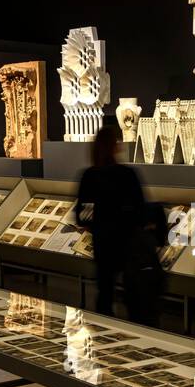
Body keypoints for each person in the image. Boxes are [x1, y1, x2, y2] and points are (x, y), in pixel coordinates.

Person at [75, 125, 162, 324]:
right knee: (133, 292)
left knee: (104, 292)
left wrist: (98, 224)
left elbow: (83, 215)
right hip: (128, 243)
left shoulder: (89, 176)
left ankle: (105, 332)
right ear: (114, 147)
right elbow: (140, 210)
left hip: (103, 243)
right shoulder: (127, 174)